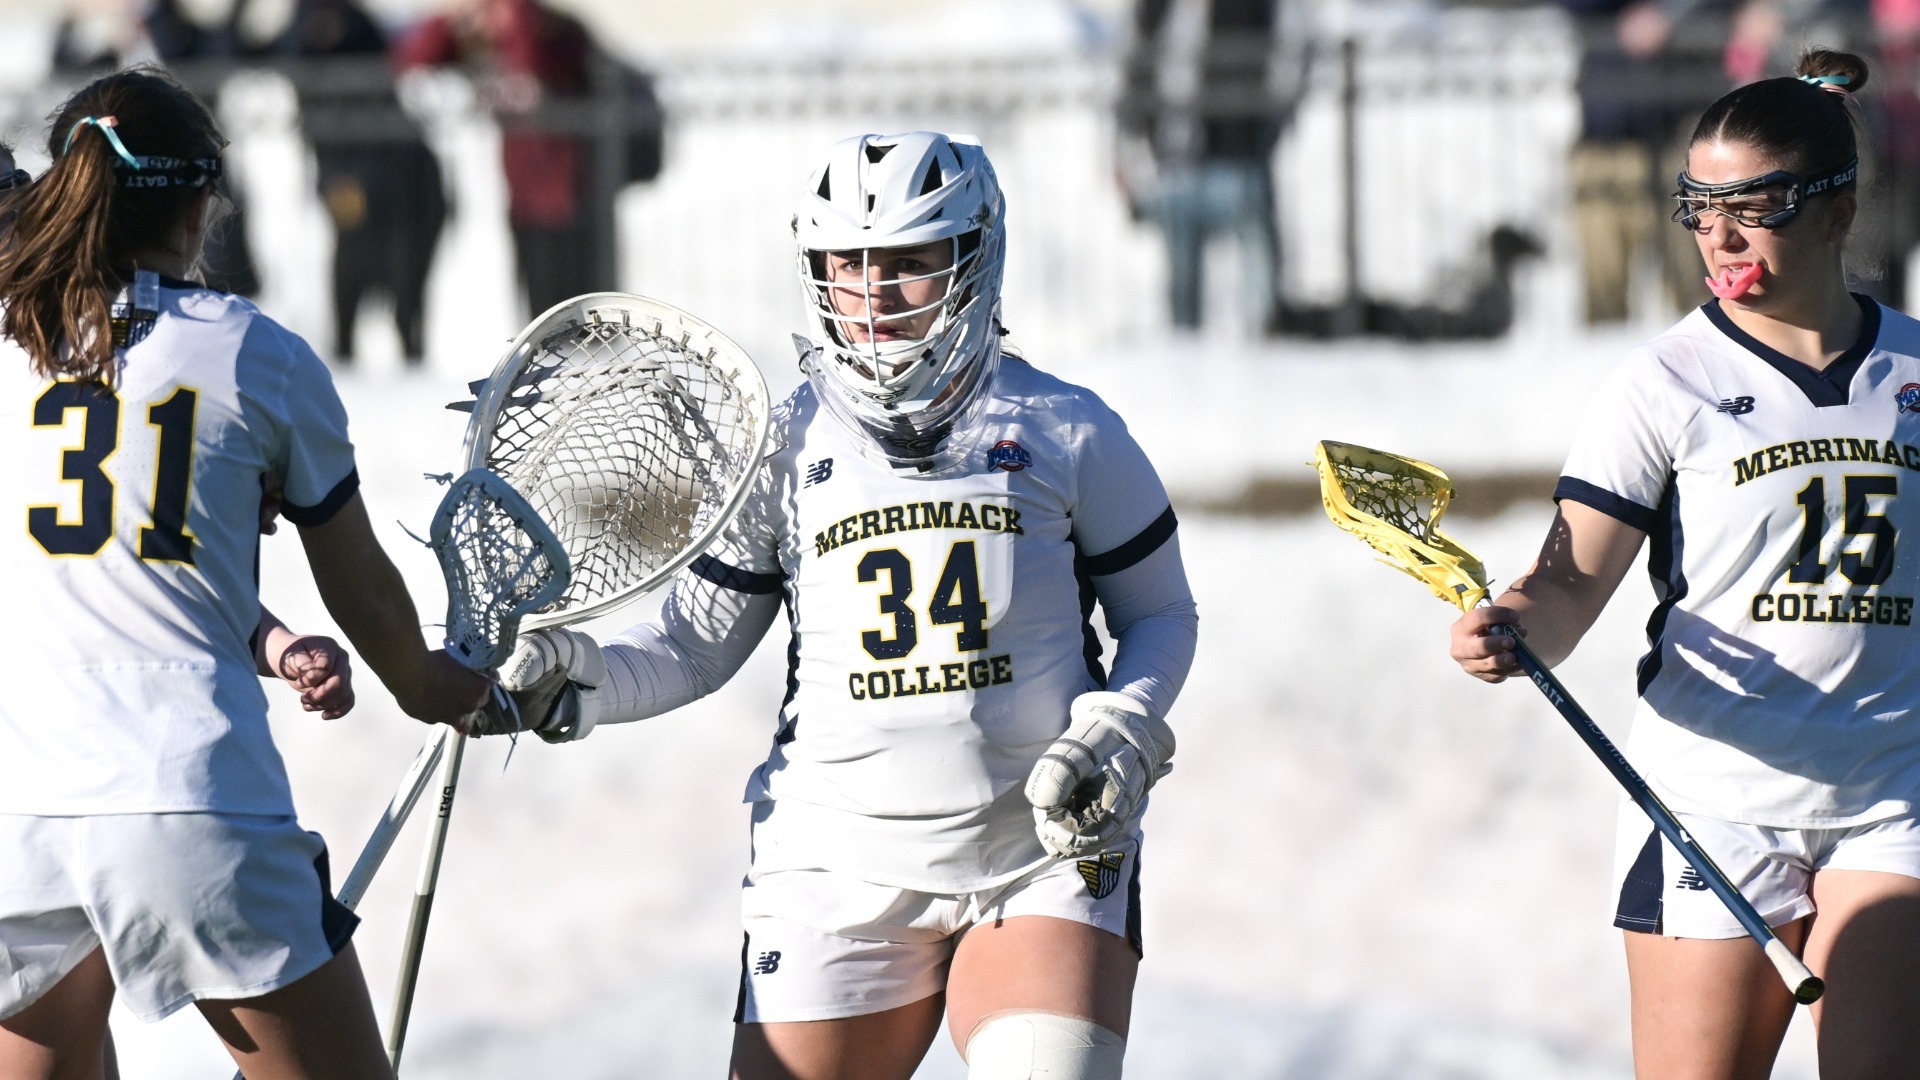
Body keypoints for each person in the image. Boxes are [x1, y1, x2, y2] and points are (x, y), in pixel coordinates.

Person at [478, 131, 1198, 1079]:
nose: (873, 293)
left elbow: (1160, 614)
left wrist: (1123, 721)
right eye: (847, 265)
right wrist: (580, 682)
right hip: (830, 865)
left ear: (976, 256)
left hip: (1043, 849)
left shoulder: (1067, 428)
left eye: (908, 261)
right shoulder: (782, 445)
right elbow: (693, 648)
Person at [0, 69, 489, 1079]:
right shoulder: (256, 354)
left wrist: (260, 626)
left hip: (22, 814)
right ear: (201, 207)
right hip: (188, 795)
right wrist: (426, 684)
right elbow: (362, 587)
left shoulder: (11, 345)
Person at [1450, 50, 1920, 1079]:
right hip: (1714, 800)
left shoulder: (1915, 367)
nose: (1720, 236)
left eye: (1754, 208)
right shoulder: (1663, 380)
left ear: (1838, 212)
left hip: (1896, 798)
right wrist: (1515, 626)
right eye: (1700, 208)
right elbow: (1571, 578)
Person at [395, 0, 613, 320]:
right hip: (523, 194)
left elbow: (532, 64)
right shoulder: (489, 40)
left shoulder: (555, 34)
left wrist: (513, 18)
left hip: (568, 193)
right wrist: (452, 21)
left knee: (575, 306)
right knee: (539, 308)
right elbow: (414, 58)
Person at [266, 0, 449, 365]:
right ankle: (345, 359)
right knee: (350, 276)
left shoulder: (362, 28)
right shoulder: (299, 36)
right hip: (345, 178)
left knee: (406, 287)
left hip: (402, 182)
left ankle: (410, 359)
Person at [1117, 0, 1296, 335]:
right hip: (1173, 162)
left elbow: (1286, 55)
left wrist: (1265, 129)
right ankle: (1185, 351)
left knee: (1257, 281)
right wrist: (1131, 144)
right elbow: (1138, 62)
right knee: (1182, 294)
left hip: (1237, 155)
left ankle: (1265, 337)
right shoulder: (1157, 9)